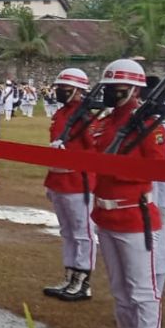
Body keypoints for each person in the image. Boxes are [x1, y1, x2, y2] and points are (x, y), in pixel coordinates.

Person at [86, 58, 165, 328]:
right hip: (106, 217)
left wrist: (119, 170)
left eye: (115, 87)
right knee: (120, 292)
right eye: (107, 86)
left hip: (135, 217)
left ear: (133, 89)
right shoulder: (105, 123)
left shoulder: (147, 124)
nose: (109, 92)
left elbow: (158, 167)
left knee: (142, 290)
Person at [41, 68, 96, 301]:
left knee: (82, 232)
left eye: (65, 87)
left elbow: (94, 149)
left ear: (78, 91)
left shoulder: (85, 117)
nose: (60, 91)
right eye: (59, 87)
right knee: (66, 232)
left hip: (77, 182)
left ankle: (82, 279)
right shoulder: (62, 113)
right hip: (59, 180)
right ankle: (70, 273)